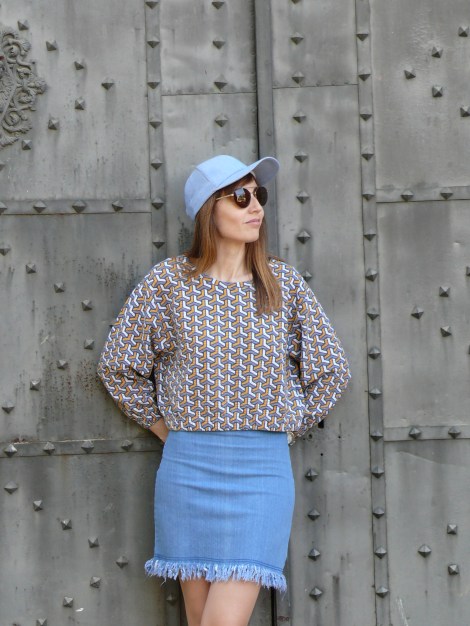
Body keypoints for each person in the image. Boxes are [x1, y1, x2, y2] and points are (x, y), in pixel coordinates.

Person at [97, 154, 352, 626]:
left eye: (259, 195)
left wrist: (286, 428)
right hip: (187, 470)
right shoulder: (168, 283)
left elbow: (331, 370)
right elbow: (118, 366)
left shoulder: (282, 283)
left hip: (261, 474)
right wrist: (164, 429)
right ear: (207, 210)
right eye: (240, 196)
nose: (255, 206)